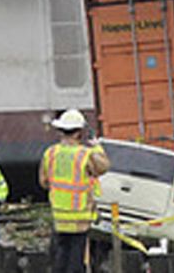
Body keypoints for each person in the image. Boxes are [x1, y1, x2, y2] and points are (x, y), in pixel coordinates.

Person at [39, 109, 109, 273]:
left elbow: (43, 181)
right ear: (79, 132)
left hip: (59, 215)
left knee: (60, 257)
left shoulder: (50, 153)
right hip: (79, 217)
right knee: (76, 259)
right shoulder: (84, 154)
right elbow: (103, 167)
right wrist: (97, 147)